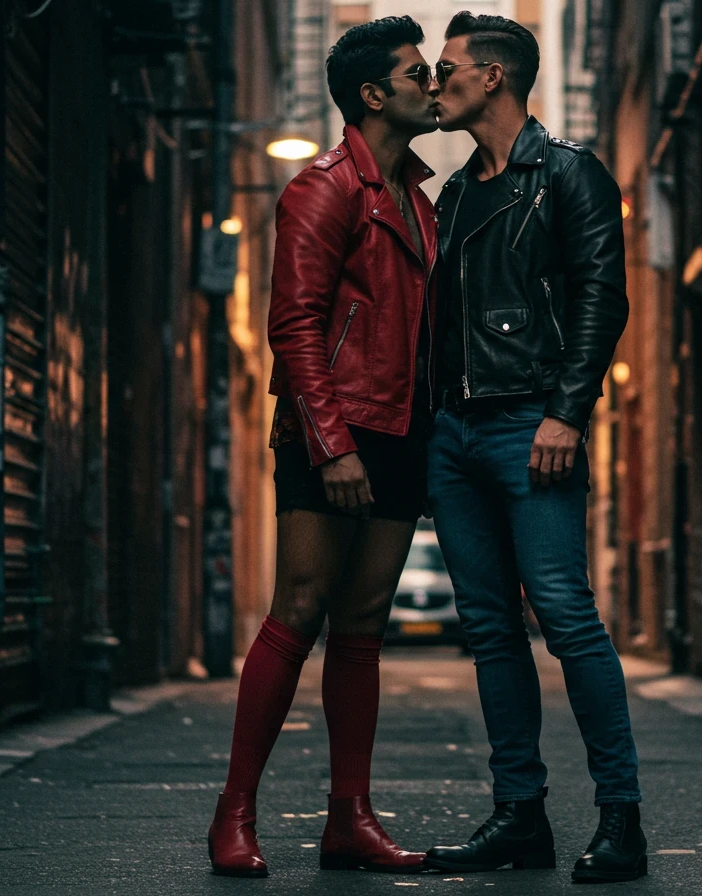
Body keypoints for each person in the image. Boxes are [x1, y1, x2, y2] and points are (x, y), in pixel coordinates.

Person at [207, 15, 440, 877]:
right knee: (299, 607)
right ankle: (234, 813)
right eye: (416, 72)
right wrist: (332, 443)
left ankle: (350, 818)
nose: (430, 82)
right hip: (329, 430)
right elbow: (295, 326)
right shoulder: (324, 188)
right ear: (375, 93)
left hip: (400, 433)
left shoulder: (416, 200)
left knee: (364, 624)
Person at [421, 11, 647, 884]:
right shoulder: (455, 194)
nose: (435, 84)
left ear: (494, 80)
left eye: (448, 70)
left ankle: (620, 819)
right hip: (457, 433)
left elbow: (602, 297)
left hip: (530, 424)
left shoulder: (568, 175)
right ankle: (521, 816)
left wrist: (568, 410)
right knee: (486, 628)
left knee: (565, 613)